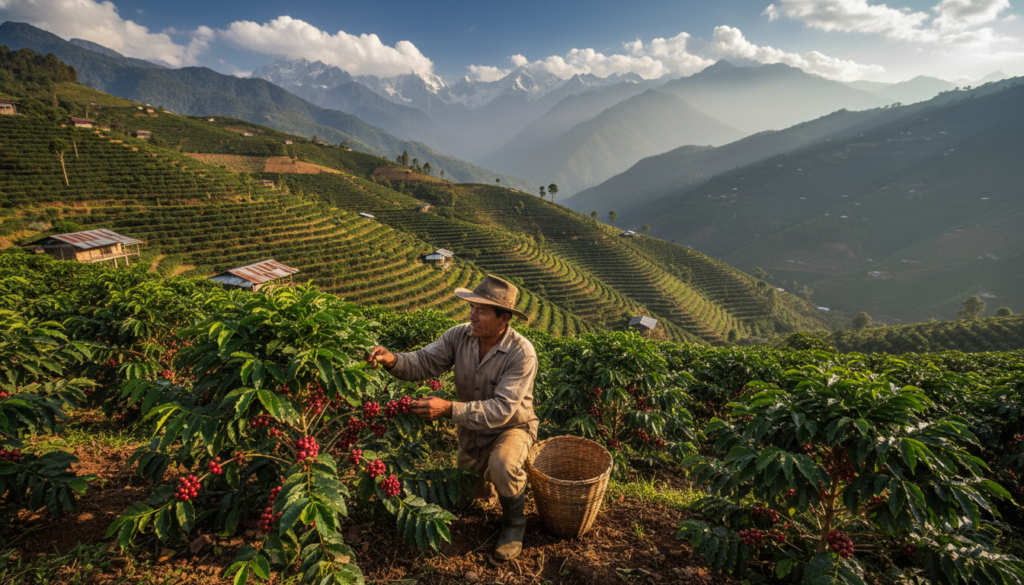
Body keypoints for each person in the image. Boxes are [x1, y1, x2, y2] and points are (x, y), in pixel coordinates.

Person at [366, 274, 537, 561]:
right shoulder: (460, 335)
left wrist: (448, 409)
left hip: (512, 427)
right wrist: (392, 359)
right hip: (473, 427)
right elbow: (423, 361)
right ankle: (490, 491)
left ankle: (514, 525)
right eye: (472, 308)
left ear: (504, 318)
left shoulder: (521, 354)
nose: (472, 316)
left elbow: (502, 410)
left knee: (503, 464)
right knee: (467, 497)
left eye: (480, 311)